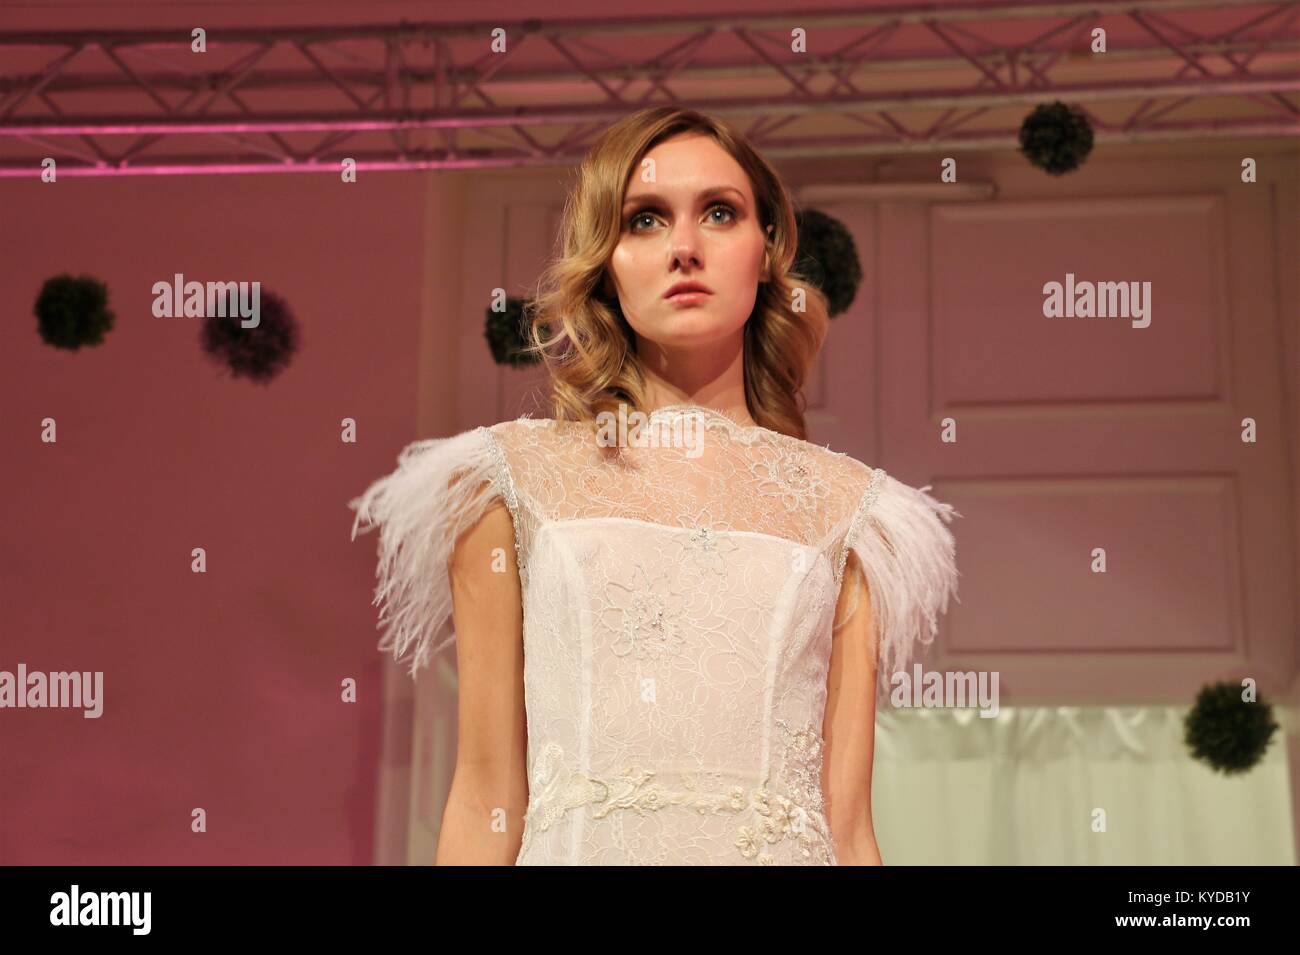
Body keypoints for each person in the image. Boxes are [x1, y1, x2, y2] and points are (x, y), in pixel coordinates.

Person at [348, 106, 960, 866]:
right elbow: (484, 798)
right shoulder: (507, 482)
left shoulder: (850, 512)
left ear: (766, 251)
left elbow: (849, 827)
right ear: (605, 260)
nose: (684, 248)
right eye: (644, 219)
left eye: (719, 213)